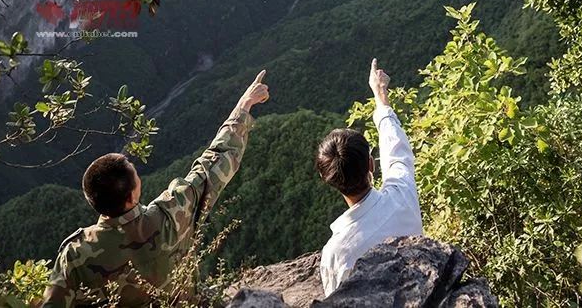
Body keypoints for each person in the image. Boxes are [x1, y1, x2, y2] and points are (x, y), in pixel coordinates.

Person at [42, 70, 270, 307]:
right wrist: (244, 105)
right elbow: (216, 160)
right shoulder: (170, 215)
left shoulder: (75, 255)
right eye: (136, 175)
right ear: (132, 195)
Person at [315, 58, 422, 296]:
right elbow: (397, 152)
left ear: (329, 180)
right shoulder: (401, 197)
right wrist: (380, 94)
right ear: (371, 165)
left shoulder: (337, 253)